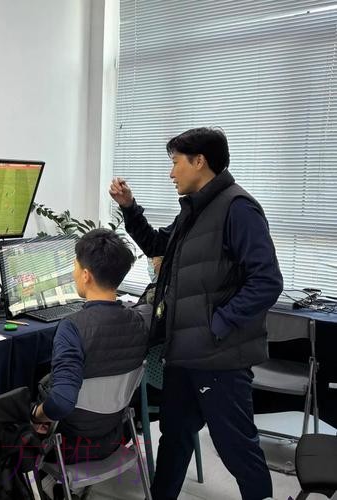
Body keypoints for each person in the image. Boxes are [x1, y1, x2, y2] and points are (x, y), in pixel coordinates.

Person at [110, 127, 283, 500]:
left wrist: (216, 324)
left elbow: (267, 281)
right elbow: (158, 245)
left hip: (218, 356)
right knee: (174, 437)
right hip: (184, 353)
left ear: (199, 161)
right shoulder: (194, 209)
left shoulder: (239, 208)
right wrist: (129, 207)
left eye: (176, 163)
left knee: (236, 447)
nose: (171, 173)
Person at [31, 229, 150, 464]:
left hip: (69, 446)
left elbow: (61, 402)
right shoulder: (140, 322)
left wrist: (36, 414)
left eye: (75, 266)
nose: (73, 273)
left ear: (86, 275)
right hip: (116, 437)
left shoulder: (71, 328)